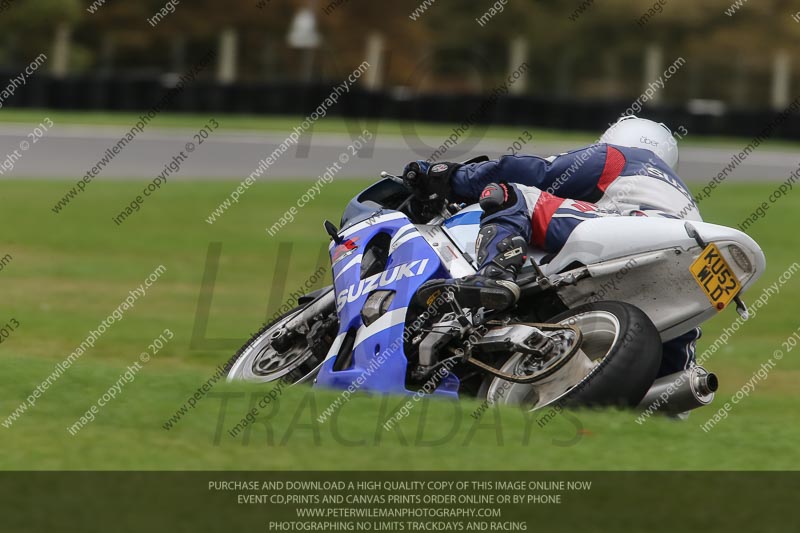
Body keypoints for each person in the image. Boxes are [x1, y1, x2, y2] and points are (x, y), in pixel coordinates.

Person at [405, 116, 700, 377]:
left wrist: (451, 177)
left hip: (636, 231)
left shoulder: (619, 156)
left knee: (510, 193)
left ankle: (495, 275)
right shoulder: (682, 197)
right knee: (677, 345)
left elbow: (536, 172)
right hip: (686, 265)